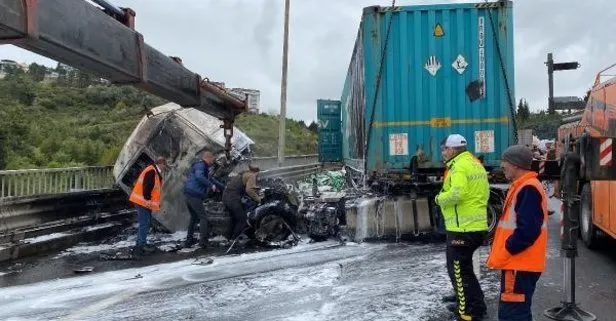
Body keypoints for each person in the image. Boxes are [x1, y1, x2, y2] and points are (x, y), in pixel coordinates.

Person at [486, 145, 548, 321]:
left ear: (515, 164)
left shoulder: (528, 188)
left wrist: (508, 249)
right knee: (515, 312)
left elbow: (527, 230)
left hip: (519, 264)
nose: (502, 166)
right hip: (518, 264)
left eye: (504, 161)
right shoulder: (523, 186)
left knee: (513, 315)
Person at [435, 134, 489, 321]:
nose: (443, 153)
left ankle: (468, 312)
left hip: (463, 229)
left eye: (444, 149)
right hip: (474, 226)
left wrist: (439, 198)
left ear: (452, 149)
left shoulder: (458, 167)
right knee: (464, 270)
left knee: (459, 271)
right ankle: (473, 304)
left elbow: (457, 193)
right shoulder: (474, 163)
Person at [183, 150, 224, 248]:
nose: (213, 162)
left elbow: (211, 179)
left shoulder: (203, 167)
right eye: (213, 159)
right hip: (194, 194)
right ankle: (203, 242)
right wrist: (211, 186)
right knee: (203, 217)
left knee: (194, 217)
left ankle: (189, 240)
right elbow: (199, 177)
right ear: (208, 158)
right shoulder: (201, 166)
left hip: (189, 194)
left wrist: (223, 187)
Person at [129, 157, 167, 255]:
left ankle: (141, 243)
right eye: (165, 165)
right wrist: (149, 200)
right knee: (144, 223)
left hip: (143, 202)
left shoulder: (152, 170)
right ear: (161, 164)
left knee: (145, 223)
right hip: (143, 202)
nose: (165, 168)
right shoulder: (152, 171)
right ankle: (141, 245)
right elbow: (147, 188)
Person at [222, 164, 261, 241]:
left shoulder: (243, 174)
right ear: (256, 172)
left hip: (226, 197)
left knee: (234, 218)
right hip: (233, 198)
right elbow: (249, 190)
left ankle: (229, 238)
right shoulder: (251, 175)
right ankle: (234, 239)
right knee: (242, 219)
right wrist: (259, 199)